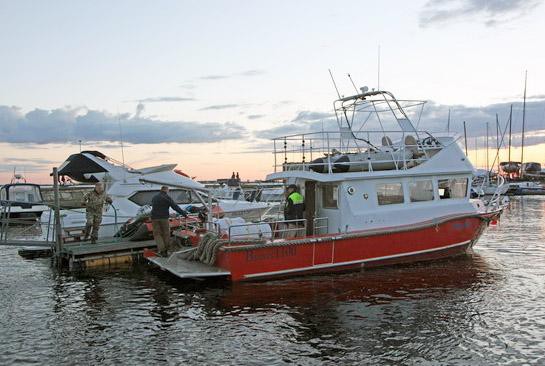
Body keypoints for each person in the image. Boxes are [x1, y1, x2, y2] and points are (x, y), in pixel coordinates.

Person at [151, 186, 188, 256]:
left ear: (161, 190)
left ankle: (162, 250)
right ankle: (167, 250)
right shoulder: (167, 197)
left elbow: (153, 206)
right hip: (164, 218)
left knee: (157, 234)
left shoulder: (155, 197)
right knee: (166, 233)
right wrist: (184, 214)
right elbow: (175, 207)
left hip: (154, 218)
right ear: (166, 190)